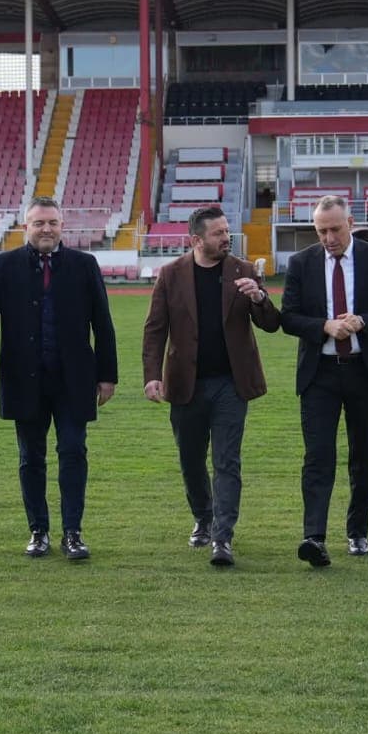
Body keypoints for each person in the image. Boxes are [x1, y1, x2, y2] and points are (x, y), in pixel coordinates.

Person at [0, 196, 117, 560]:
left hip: (74, 381)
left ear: (62, 226)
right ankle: (38, 531)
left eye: (52, 222)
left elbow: (103, 321)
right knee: (30, 457)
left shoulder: (84, 265)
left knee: (72, 451)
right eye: (39, 223)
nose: (46, 229)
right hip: (24, 379)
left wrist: (107, 375)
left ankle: (72, 532)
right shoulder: (5, 265)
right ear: (26, 227)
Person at [141, 205, 280, 567]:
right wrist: (152, 375)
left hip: (231, 385)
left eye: (226, 231)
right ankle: (203, 517)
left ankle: (223, 536)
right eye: (218, 233)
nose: (226, 238)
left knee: (226, 460)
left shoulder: (244, 271)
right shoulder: (170, 275)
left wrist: (259, 297)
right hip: (186, 384)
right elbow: (155, 329)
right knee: (190, 460)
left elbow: (270, 324)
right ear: (196, 240)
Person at [279, 195, 368, 567]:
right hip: (319, 374)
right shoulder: (301, 263)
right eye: (321, 231)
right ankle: (314, 538)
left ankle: (358, 532)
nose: (329, 237)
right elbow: (288, 317)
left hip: (364, 372)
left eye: (335, 229)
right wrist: (324, 326)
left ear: (350, 222)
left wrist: (363, 321)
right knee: (318, 457)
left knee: (363, 457)